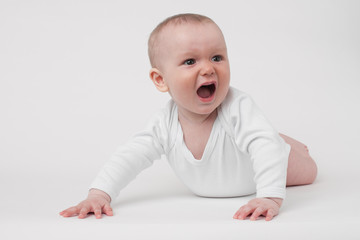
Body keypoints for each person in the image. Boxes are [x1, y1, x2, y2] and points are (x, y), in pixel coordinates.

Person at [60, 13, 317, 221]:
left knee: (306, 170)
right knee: (262, 136)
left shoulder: (237, 107)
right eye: (190, 61)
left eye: (217, 57)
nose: (208, 68)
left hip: (259, 166)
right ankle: (272, 135)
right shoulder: (164, 124)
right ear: (161, 80)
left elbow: (264, 145)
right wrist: (99, 194)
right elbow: (130, 155)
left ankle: (284, 143)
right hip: (242, 158)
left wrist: (270, 197)